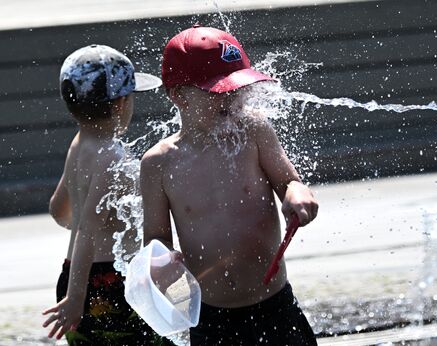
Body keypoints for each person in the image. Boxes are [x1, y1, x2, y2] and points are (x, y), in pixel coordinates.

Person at [141, 25, 319, 345]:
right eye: (218, 92)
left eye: (237, 88)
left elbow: (288, 181)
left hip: (275, 307)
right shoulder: (159, 164)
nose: (232, 99)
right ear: (179, 95)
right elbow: (156, 239)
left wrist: (298, 194)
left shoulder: (253, 131)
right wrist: (162, 264)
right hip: (213, 319)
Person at [41, 44, 170, 345]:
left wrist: (73, 292)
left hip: (72, 274)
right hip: (104, 286)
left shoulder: (80, 144)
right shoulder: (112, 156)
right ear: (121, 103)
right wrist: (77, 298)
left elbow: (59, 211)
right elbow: (86, 229)